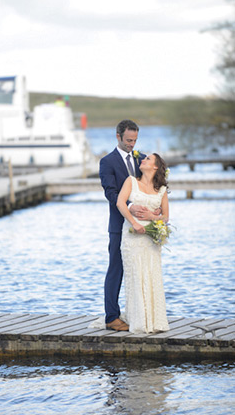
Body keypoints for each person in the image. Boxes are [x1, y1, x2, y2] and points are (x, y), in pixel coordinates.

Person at [99, 120, 158, 332]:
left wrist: (157, 208)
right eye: (128, 140)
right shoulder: (107, 162)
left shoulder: (142, 159)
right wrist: (130, 206)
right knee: (116, 269)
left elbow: (153, 187)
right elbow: (110, 193)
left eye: (134, 140)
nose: (132, 144)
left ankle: (141, 315)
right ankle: (111, 317)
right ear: (118, 136)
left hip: (142, 226)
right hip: (118, 224)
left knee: (141, 270)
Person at [116, 153, 170, 334]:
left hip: (151, 239)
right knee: (136, 275)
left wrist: (151, 218)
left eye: (148, 159)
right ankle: (139, 320)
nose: (143, 160)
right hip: (132, 236)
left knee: (152, 274)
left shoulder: (161, 189)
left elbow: (166, 217)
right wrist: (135, 222)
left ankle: (155, 320)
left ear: (155, 167)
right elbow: (120, 203)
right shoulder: (131, 181)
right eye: (143, 158)